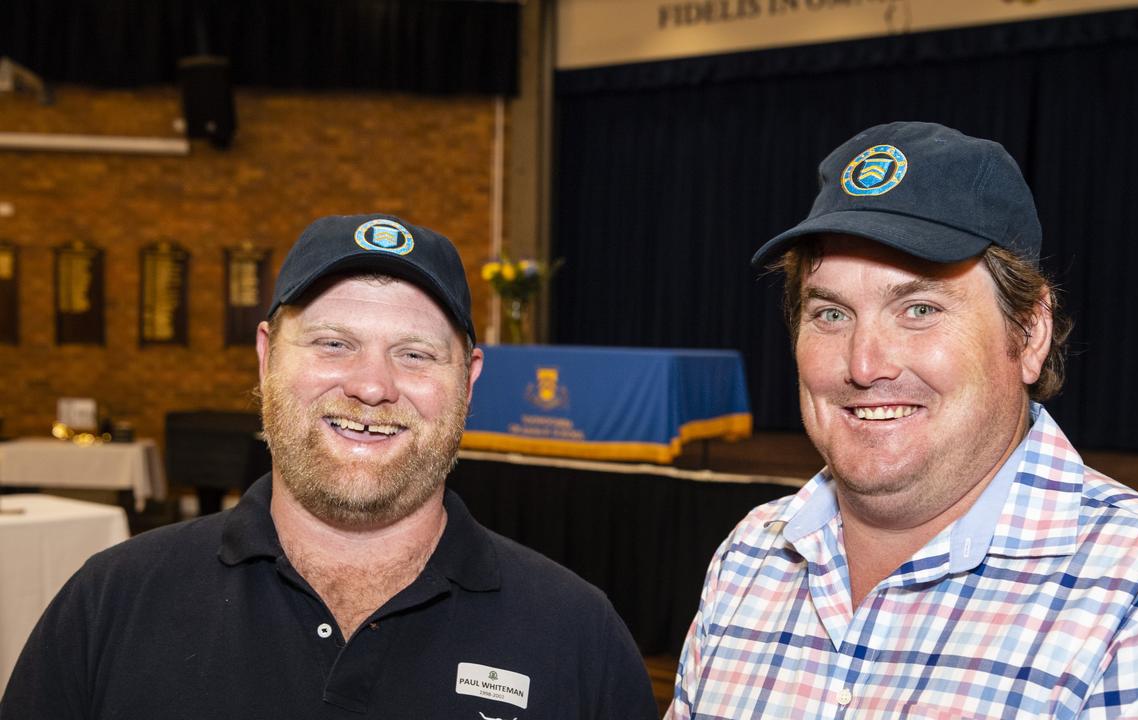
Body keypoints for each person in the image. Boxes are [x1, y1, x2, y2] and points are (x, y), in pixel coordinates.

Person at [667, 122, 1138, 718]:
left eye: (920, 308)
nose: (863, 363)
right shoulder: (752, 556)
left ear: (1031, 332)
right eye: (831, 314)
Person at [1, 214, 658, 719]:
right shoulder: (111, 603)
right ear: (266, 358)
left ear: (469, 380)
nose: (372, 386)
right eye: (333, 343)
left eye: (416, 354)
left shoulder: (576, 634)